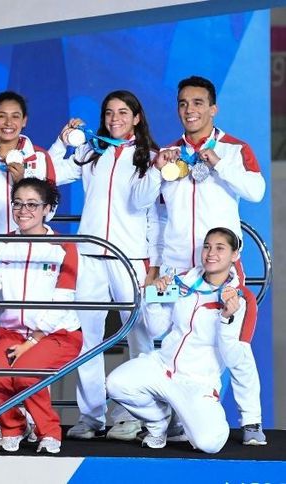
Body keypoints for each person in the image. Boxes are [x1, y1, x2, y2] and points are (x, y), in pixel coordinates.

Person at [134, 75, 267, 445]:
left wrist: (219, 163)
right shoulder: (168, 153)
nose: (189, 110)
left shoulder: (234, 149)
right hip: (177, 269)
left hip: (220, 269)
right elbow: (149, 210)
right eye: (183, 104)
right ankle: (173, 419)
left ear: (213, 108)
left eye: (197, 103)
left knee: (233, 347)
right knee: (168, 341)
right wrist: (157, 168)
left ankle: (251, 421)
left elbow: (256, 191)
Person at [48, 90, 161, 441]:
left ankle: (135, 415)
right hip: (90, 255)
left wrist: (155, 263)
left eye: (123, 112)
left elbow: (151, 213)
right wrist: (62, 141)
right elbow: (51, 173)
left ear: (137, 118)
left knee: (140, 337)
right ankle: (92, 416)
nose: (115, 118)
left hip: (131, 258)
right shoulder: (91, 152)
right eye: (109, 112)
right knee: (88, 339)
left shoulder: (152, 159)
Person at [107, 227, 254, 453]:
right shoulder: (183, 282)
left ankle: (191, 418)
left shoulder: (240, 300)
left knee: (209, 443)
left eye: (220, 248)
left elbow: (235, 358)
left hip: (197, 383)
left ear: (234, 255)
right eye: (207, 247)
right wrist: (154, 297)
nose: (211, 253)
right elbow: (155, 330)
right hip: (162, 368)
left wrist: (226, 319)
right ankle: (158, 423)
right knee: (116, 383)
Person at [0, 178, 81, 454]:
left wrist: (32, 342)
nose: (23, 210)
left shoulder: (63, 247)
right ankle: (13, 427)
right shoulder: (1, 245)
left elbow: (62, 300)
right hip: (13, 332)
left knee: (27, 376)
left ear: (47, 209)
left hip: (57, 334)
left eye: (32, 204)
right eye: (17, 203)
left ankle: (48, 432)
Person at [0, 91, 56, 433]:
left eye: (15, 116)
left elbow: (51, 211)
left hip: (33, 262)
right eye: (1, 116)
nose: (8, 122)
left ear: (25, 121)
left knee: (34, 341)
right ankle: (3, 419)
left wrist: (22, 182)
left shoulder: (40, 158)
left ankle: (34, 418)